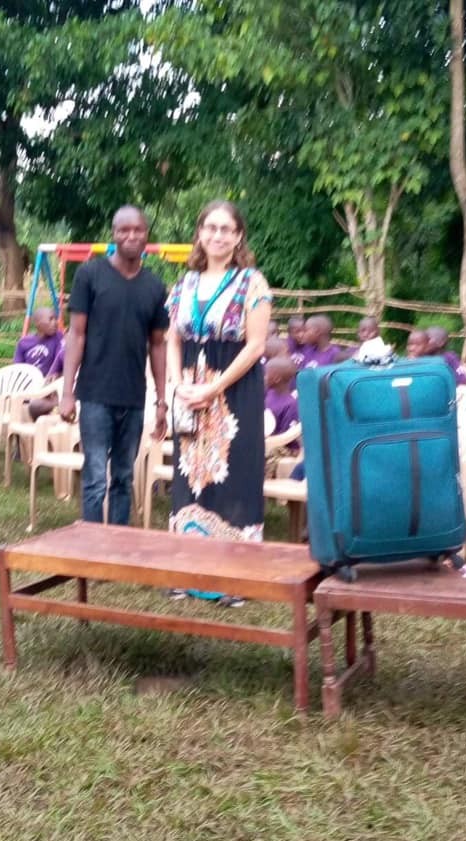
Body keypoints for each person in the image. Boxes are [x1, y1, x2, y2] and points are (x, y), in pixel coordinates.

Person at [166, 199, 271, 600]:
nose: (218, 235)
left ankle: (236, 579)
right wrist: (179, 385)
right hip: (191, 394)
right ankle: (187, 572)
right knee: (190, 476)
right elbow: (172, 339)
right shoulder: (184, 284)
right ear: (200, 233)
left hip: (234, 393)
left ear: (238, 236)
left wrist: (213, 389)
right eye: (211, 228)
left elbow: (255, 345)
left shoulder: (252, 283)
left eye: (226, 229)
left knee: (234, 476)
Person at [60, 205, 168, 525]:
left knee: (123, 477)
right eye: (124, 230)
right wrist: (67, 392)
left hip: (133, 397)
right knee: (95, 477)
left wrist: (161, 401)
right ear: (114, 234)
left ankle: (119, 542)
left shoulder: (155, 286)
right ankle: (93, 543)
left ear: (146, 235)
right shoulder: (90, 275)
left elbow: (158, 344)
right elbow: (76, 334)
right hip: (94, 394)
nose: (131, 236)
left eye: (138, 230)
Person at [0, 306, 62, 463]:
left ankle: (21, 446)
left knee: (21, 405)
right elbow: (17, 369)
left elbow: (59, 361)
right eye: (50, 319)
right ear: (38, 323)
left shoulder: (58, 339)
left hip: (43, 388)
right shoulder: (24, 343)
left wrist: (53, 376)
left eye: (55, 318)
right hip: (22, 385)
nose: (55, 322)